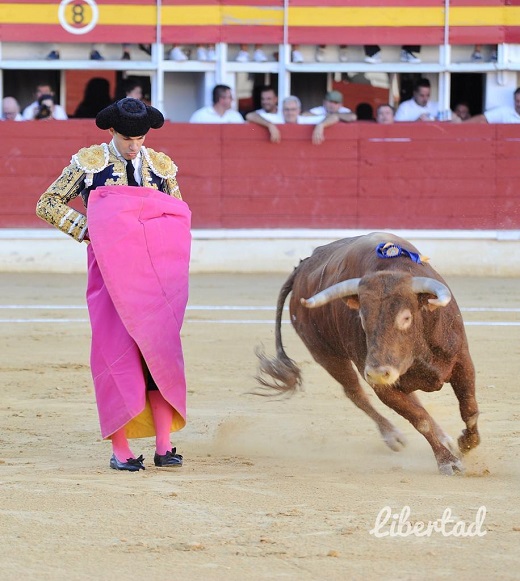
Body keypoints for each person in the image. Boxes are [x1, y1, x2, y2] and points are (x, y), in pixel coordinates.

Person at [35, 98, 191, 472]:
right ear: (112, 132)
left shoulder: (160, 166)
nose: (134, 145)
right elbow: (48, 203)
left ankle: (164, 445)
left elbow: (176, 215)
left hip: (154, 272)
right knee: (116, 350)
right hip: (110, 271)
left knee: (157, 353)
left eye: (139, 137)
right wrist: (92, 231)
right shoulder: (90, 164)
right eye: (126, 137)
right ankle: (120, 448)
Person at [246, 95, 341, 145]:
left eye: (293, 109)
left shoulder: (304, 120)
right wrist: (269, 125)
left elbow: (334, 117)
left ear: (299, 110)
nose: (290, 113)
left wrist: (321, 125)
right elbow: (250, 116)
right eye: (286, 109)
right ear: (282, 110)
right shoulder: (276, 118)